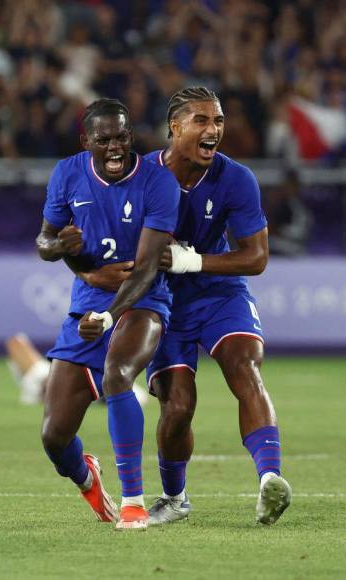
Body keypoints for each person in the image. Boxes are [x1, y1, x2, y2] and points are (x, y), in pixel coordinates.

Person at [89, 87, 291, 525]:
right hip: (163, 301)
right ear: (174, 127)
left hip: (220, 292)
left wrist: (192, 260)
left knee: (245, 367)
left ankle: (270, 479)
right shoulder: (139, 177)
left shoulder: (235, 178)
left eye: (217, 121)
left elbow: (256, 257)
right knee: (178, 405)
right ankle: (175, 498)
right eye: (201, 120)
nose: (213, 129)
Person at [36, 98, 179, 530]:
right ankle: (87, 476)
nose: (115, 147)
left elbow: (149, 267)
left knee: (118, 372)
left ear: (131, 136)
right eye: (104, 140)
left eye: (121, 137)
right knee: (54, 436)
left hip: (142, 301)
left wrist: (110, 314)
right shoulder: (68, 173)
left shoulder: (158, 181)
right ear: (87, 141)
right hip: (87, 305)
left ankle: (133, 501)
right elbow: (44, 241)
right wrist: (65, 249)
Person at [4, 332, 149, 407]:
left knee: (16, 342)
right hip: (59, 374)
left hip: (47, 381)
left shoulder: (130, 392)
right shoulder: (121, 380)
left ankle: (33, 389)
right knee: (16, 341)